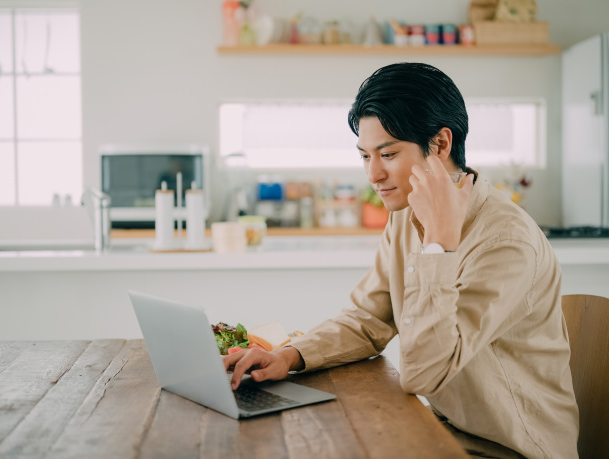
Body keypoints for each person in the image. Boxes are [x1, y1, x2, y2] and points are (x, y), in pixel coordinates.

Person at [223, 63, 579, 459]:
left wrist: (439, 246)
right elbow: (369, 318)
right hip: (442, 429)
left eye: (388, 154)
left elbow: (424, 374)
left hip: (508, 449)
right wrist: (287, 356)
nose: (374, 174)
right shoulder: (406, 214)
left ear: (441, 145)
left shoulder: (506, 241)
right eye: (364, 156)